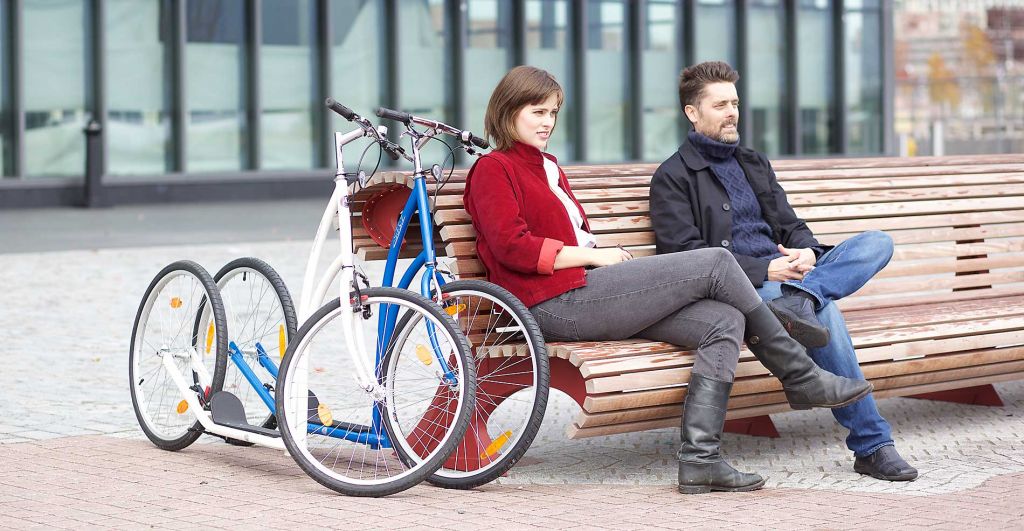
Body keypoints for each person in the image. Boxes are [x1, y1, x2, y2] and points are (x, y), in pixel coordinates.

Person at [464, 65, 873, 494]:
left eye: (553, 112)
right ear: (508, 111)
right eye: (537, 112)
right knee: (715, 262)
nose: (548, 122)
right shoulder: (494, 169)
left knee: (724, 320)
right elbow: (513, 245)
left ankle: (701, 460)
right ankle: (800, 376)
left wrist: (606, 262)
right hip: (550, 303)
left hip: (586, 291)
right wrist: (596, 256)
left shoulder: (545, 166)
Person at [649, 60, 918, 482]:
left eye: (734, 103)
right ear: (692, 112)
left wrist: (807, 252)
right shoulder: (673, 177)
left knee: (877, 243)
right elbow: (684, 257)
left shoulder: (753, 162)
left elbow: (790, 225)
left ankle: (805, 299)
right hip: (744, 286)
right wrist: (766, 269)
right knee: (827, 317)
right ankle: (873, 446)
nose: (732, 112)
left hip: (793, 281)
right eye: (720, 105)